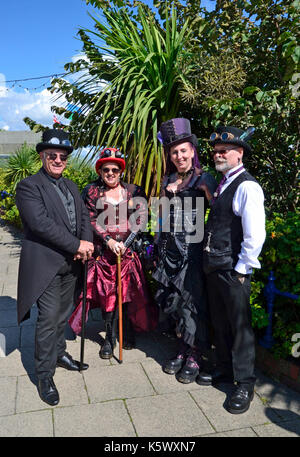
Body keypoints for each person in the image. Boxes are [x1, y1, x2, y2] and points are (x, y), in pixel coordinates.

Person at [16, 129, 94, 407]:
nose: (58, 160)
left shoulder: (71, 186)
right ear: (42, 156)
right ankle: (44, 375)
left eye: (63, 156)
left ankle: (59, 354)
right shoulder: (28, 186)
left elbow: (83, 215)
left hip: (72, 264)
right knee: (48, 320)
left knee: (63, 314)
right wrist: (77, 245)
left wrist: (86, 241)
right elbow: (41, 225)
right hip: (47, 265)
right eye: (53, 155)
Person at [197, 126, 266, 414]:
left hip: (232, 271)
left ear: (240, 154)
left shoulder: (247, 186)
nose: (218, 155)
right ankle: (224, 370)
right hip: (215, 267)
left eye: (224, 151)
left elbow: (255, 234)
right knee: (221, 324)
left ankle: (245, 384)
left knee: (239, 329)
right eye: (215, 152)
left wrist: (241, 269)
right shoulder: (225, 183)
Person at [69, 147, 157, 358]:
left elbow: (142, 218)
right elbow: (89, 219)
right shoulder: (91, 191)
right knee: (108, 296)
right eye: (106, 169)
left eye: (115, 170)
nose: (110, 174)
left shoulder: (134, 191)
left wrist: (127, 242)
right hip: (103, 255)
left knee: (127, 294)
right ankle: (109, 337)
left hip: (127, 253)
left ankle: (125, 329)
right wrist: (108, 241)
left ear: (121, 171)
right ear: (100, 171)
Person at [152, 118, 217, 384]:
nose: (179, 156)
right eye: (174, 152)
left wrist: (206, 194)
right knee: (175, 305)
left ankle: (194, 356)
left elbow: (220, 215)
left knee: (193, 304)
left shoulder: (205, 179)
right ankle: (182, 349)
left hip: (193, 253)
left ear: (192, 151)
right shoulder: (168, 179)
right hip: (170, 253)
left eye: (183, 150)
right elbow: (162, 218)